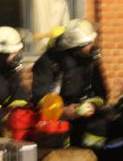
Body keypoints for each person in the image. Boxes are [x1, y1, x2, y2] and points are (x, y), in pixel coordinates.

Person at [32, 19, 109, 148]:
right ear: (76, 47)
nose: (92, 45)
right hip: (56, 117)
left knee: (101, 123)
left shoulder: (90, 60)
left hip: (84, 112)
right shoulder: (48, 62)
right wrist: (63, 111)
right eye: (88, 43)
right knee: (58, 135)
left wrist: (92, 105)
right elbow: (40, 97)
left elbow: (102, 93)